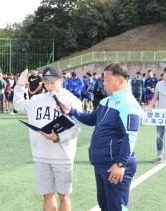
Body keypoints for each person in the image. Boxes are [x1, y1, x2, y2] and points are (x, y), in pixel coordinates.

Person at [62, 63, 141, 211]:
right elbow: (91, 119)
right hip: (102, 163)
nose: (103, 82)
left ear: (120, 80)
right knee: (105, 205)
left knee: (116, 207)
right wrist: (71, 111)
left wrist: (121, 164)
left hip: (115, 165)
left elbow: (130, 136)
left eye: (107, 79)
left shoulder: (129, 104)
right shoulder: (106, 101)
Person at [13, 66, 82, 211]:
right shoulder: (37, 99)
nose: (49, 86)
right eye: (46, 82)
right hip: (41, 156)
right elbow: (18, 106)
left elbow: (75, 129)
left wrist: (57, 137)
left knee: (64, 196)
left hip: (63, 156)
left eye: (53, 82)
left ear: (61, 80)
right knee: (47, 195)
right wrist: (19, 86)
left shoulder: (72, 100)